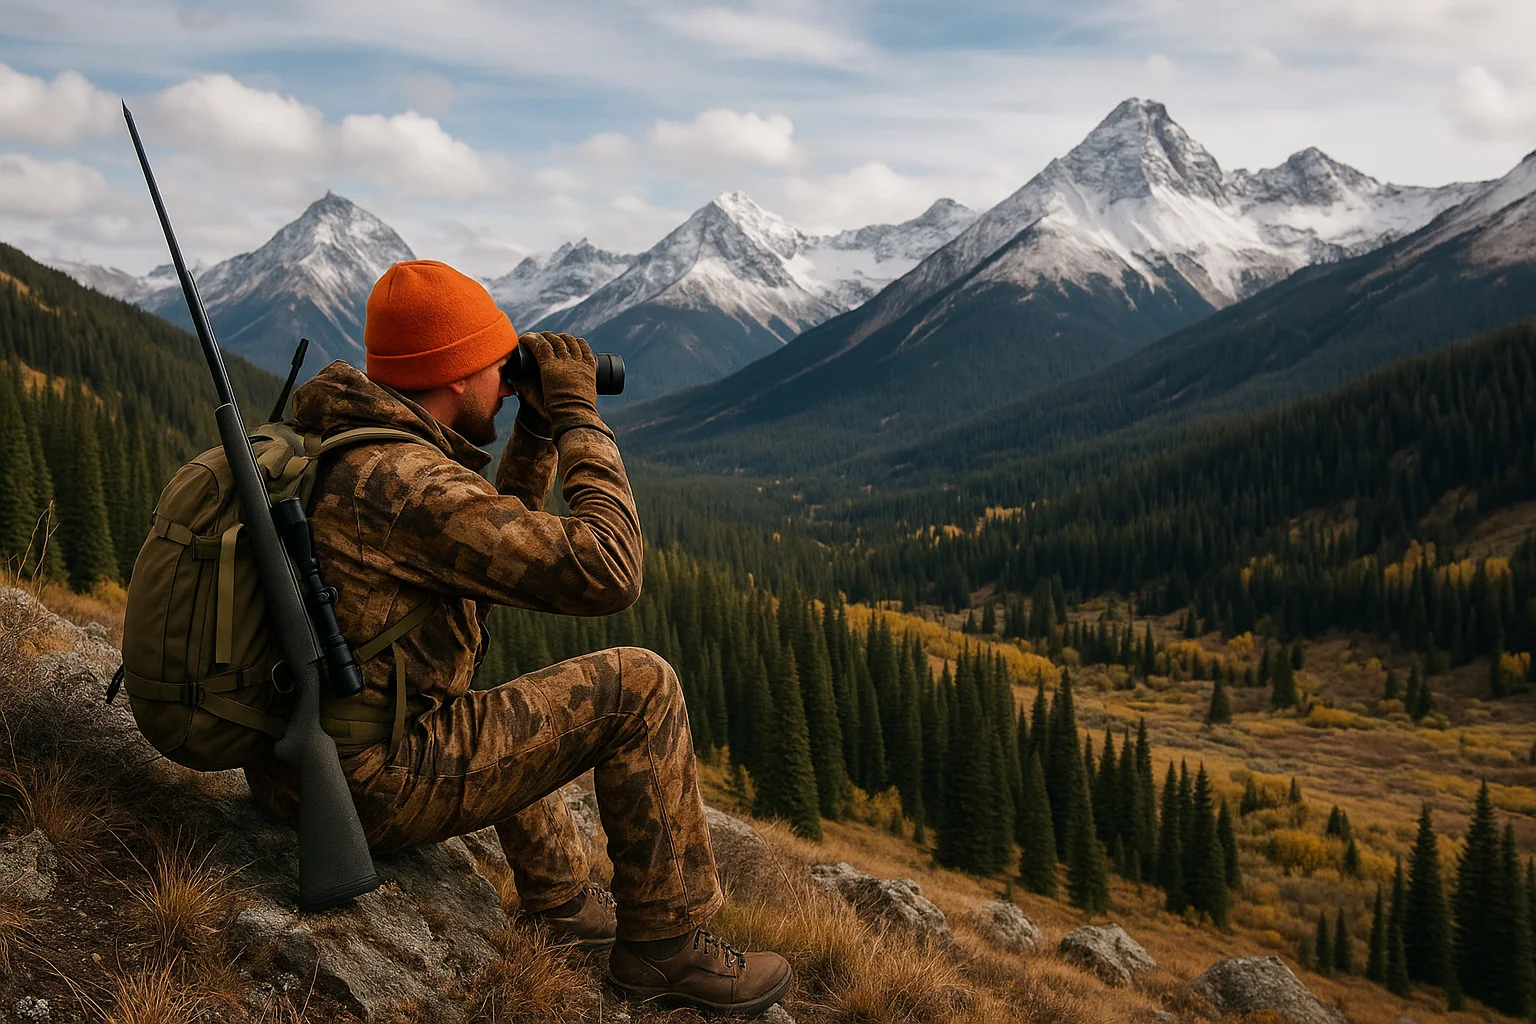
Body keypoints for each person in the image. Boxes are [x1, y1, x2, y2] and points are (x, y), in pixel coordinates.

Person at [243, 259, 792, 1016]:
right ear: (455, 374)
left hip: (302, 756)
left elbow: (485, 548)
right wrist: (576, 417)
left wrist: (528, 427)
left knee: (480, 696)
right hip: (365, 784)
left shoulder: (348, 441)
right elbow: (610, 570)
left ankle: (561, 903)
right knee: (642, 686)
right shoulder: (410, 482)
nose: (508, 380)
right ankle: (666, 948)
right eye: (499, 367)